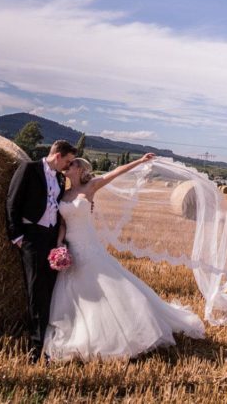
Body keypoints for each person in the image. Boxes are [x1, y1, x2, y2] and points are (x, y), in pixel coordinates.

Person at [43, 153, 205, 362]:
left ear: (80, 170)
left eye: (72, 163)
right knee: (76, 291)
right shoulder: (63, 194)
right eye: (68, 162)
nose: (67, 165)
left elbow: (116, 173)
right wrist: (59, 246)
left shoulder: (91, 186)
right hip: (72, 246)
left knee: (106, 286)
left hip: (89, 246)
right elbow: (63, 224)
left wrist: (140, 161)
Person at [6, 139, 79, 363]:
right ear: (58, 156)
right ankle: (35, 350)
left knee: (49, 291)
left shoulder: (58, 177)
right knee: (37, 292)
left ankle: (48, 343)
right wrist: (17, 237)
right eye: (66, 162)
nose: (67, 167)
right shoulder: (29, 169)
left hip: (50, 238)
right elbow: (12, 201)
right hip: (31, 237)